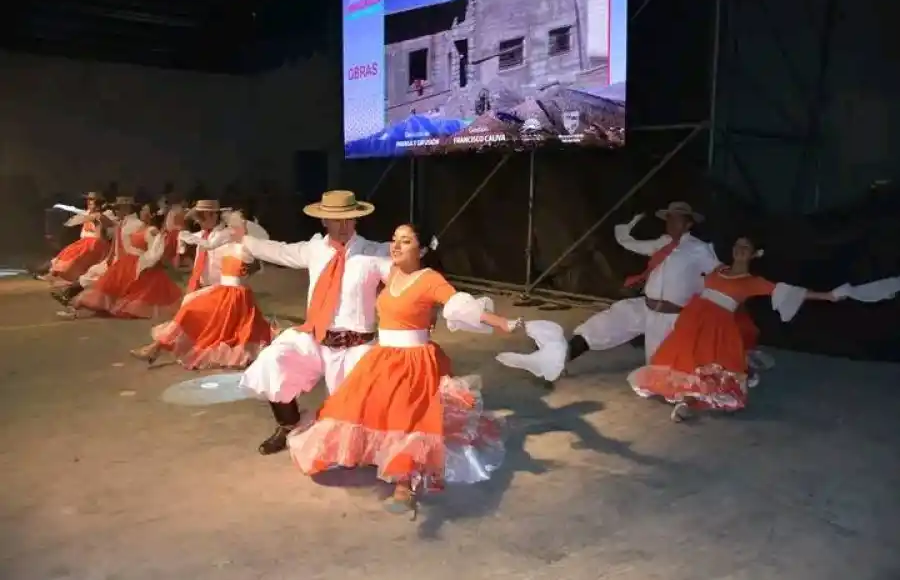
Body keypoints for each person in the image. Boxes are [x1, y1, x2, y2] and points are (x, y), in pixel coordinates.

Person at [288, 223, 520, 516]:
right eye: (394, 240)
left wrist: (499, 322)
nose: (395, 246)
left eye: (405, 241)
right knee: (357, 408)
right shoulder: (391, 272)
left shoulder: (430, 279)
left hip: (414, 361)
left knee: (407, 419)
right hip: (383, 357)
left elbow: (459, 305)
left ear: (420, 249)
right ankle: (370, 456)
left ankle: (405, 485)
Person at [235, 190, 395, 456]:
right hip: (316, 337)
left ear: (357, 220)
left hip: (356, 348)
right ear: (324, 221)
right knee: (273, 359)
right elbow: (279, 251)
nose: (343, 226)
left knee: (352, 420)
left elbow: (403, 279)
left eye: (349, 219)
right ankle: (289, 425)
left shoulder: (374, 253)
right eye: (336, 220)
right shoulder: (315, 249)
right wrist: (245, 239)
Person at [497, 201, 720, 385]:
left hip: (672, 318)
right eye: (669, 218)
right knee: (601, 325)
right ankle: (556, 360)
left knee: (661, 373)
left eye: (677, 218)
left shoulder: (700, 250)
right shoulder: (662, 243)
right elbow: (627, 241)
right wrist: (629, 223)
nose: (671, 223)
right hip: (645, 307)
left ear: (688, 223)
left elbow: (719, 276)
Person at [626, 236, 840, 422]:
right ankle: (685, 400)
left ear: (755, 253)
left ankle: (690, 402)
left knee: (710, 366)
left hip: (719, 326)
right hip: (693, 320)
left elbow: (789, 292)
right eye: (737, 245)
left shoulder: (753, 281)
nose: (740, 249)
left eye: (746, 247)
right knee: (685, 361)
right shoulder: (718, 269)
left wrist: (829, 296)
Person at [129, 203, 273, 369]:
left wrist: (247, 266)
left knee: (192, 314)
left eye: (202, 217)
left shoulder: (239, 242)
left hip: (233, 297)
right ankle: (155, 348)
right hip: (218, 292)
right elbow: (203, 245)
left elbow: (256, 264)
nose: (199, 221)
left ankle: (155, 349)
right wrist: (182, 232)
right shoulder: (216, 237)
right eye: (198, 217)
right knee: (191, 314)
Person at [63, 200, 182, 319]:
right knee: (103, 284)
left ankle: (74, 304)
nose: (141, 212)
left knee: (108, 286)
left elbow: (155, 253)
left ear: (151, 214)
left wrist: (143, 264)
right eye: (142, 210)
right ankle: (74, 303)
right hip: (127, 263)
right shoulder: (133, 225)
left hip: (137, 265)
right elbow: (117, 237)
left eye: (144, 210)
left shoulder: (148, 230)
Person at [33, 192, 114, 282]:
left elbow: (110, 228)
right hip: (86, 243)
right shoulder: (87, 213)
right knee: (68, 252)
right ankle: (53, 273)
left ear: (99, 203)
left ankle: (57, 274)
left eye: (91, 200)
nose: (88, 202)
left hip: (95, 244)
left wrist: (99, 222)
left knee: (75, 254)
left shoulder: (103, 215)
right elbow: (75, 213)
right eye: (88, 200)